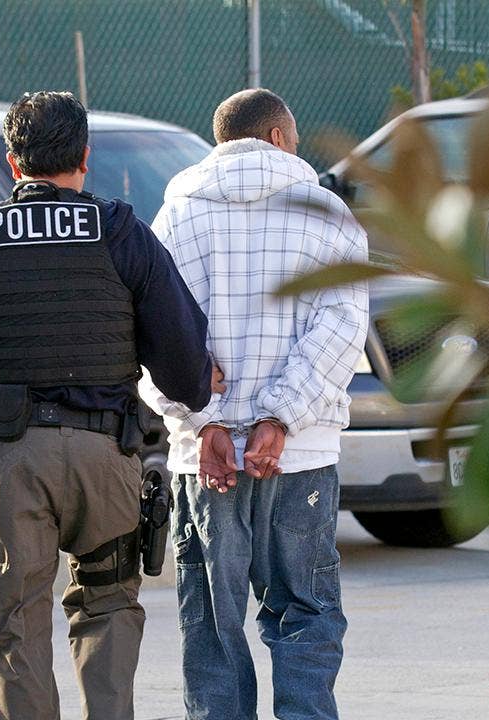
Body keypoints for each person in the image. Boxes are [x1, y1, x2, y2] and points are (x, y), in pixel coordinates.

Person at [0, 91, 214, 720]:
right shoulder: (121, 231)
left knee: (11, 617)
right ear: (85, 157)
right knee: (108, 605)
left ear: (12, 161)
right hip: (106, 456)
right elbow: (186, 367)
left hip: (11, 459)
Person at [140, 88, 369, 720]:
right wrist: (280, 417)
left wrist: (204, 421)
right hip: (302, 455)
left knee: (212, 623)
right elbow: (342, 327)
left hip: (203, 462)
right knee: (305, 613)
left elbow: (152, 334)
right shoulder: (326, 213)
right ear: (276, 137)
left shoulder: (175, 215)